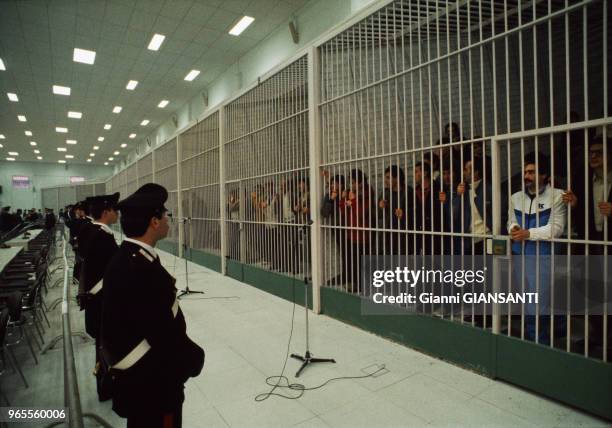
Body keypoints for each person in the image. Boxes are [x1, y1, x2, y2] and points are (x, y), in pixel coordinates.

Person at [101, 183, 204, 427]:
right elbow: (163, 336)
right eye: (165, 214)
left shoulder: (127, 257)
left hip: (139, 382)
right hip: (153, 385)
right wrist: (193, 359)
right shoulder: (141, 269)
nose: (169, 219)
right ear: (154, 222)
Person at [507, 152, 566, 345]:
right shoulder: (515, 197)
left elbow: (556, 228)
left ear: (544, 175)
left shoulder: (557, 195)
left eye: (532, 172)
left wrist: (528, 233)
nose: (526, 176)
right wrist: (514, 229)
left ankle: (538, 342)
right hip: (520, 254)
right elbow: (511, 221)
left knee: (537, 301)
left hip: (543, 256)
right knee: (529, 299)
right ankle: (548, 333)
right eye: (525, 171)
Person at [77, 193, 120, 402]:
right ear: (106, 212)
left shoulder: (89, 230)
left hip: (93, 298)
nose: (117, 213)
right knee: (106, 345)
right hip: (101, 299)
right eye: (114, 209)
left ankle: (105, 385)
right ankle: (106, 387)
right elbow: (112, 270)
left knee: (102, 345)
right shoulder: (102, 236)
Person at [453, 156, 492, 254]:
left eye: (466, 169)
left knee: (491, 267)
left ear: (476, 172)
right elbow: (454, 215)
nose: (463, 173)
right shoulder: (464, 191)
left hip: (488, 237)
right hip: (470, 241)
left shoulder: (489, 189)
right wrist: (458, 196)